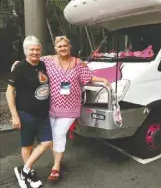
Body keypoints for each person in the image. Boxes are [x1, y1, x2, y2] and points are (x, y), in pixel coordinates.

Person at [11, 35, 111, 181]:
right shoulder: (48, 61)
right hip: (51, 107)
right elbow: (32, 60)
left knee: (58, 134)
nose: (62, 48)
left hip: (70, 108)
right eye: (59, 46)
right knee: (51, 138)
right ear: (55, 48)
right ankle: (45, 163)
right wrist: (19, 64)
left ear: (69, 47)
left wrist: (102, 79)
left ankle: (56, 166)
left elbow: (88, 78)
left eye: (65, 46)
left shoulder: (79, 63)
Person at [6, 35, 53, 188]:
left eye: (37, 49)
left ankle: (25, 170)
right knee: (28, 145)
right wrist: (14, 115)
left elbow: (58, 58)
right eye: (31, 49)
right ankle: (30, 172)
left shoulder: (43, 65)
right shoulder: (20, 68)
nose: (35, 52)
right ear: (26, 51)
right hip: (26, 113)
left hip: (43, 113)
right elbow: (9, 93)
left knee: (47, 142)